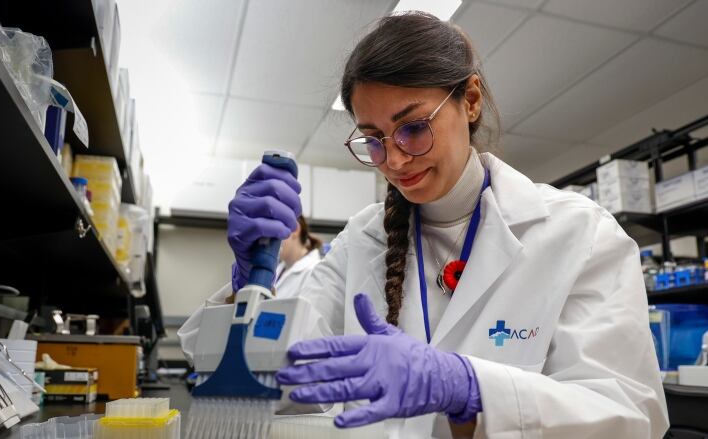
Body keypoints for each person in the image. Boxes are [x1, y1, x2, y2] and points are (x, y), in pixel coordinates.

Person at [180, 12, 668, 438]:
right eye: (374, 139)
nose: (394, 160)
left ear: (470, 100)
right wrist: (251, 280)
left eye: (412, 127)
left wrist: (466, 386)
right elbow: (275, 380)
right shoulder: (360, 242)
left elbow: (630, 415)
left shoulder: (578, 234)